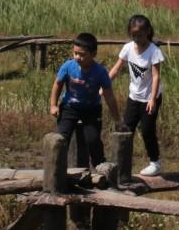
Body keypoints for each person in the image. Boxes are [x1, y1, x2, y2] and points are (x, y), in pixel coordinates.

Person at [49, 32, 118, 170]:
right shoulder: (68, 66)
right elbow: (58, 84)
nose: (77, 57)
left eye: (81, 54)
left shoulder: (100, 72)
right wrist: (53, 105)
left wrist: (118, 119)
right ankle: (57, 170)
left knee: (92, 140)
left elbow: (109, 96)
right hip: (69, 107)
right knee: (61, 138)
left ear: (93, 54)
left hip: (91, 110)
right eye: (75, 53)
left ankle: (101, 168)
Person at [114, 14, 166, 176]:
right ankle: (120, 163)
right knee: (125, 129)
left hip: (150, 98)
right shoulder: (128, 48)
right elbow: (116, 69)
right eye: (134, 35)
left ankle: (155, 163)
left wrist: (152, 99)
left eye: (140, 35)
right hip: (134, 97)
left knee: (147, 130)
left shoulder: (154, 51)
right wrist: (104, 85)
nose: (137, 38)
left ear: (148, 32)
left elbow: (156, 76)